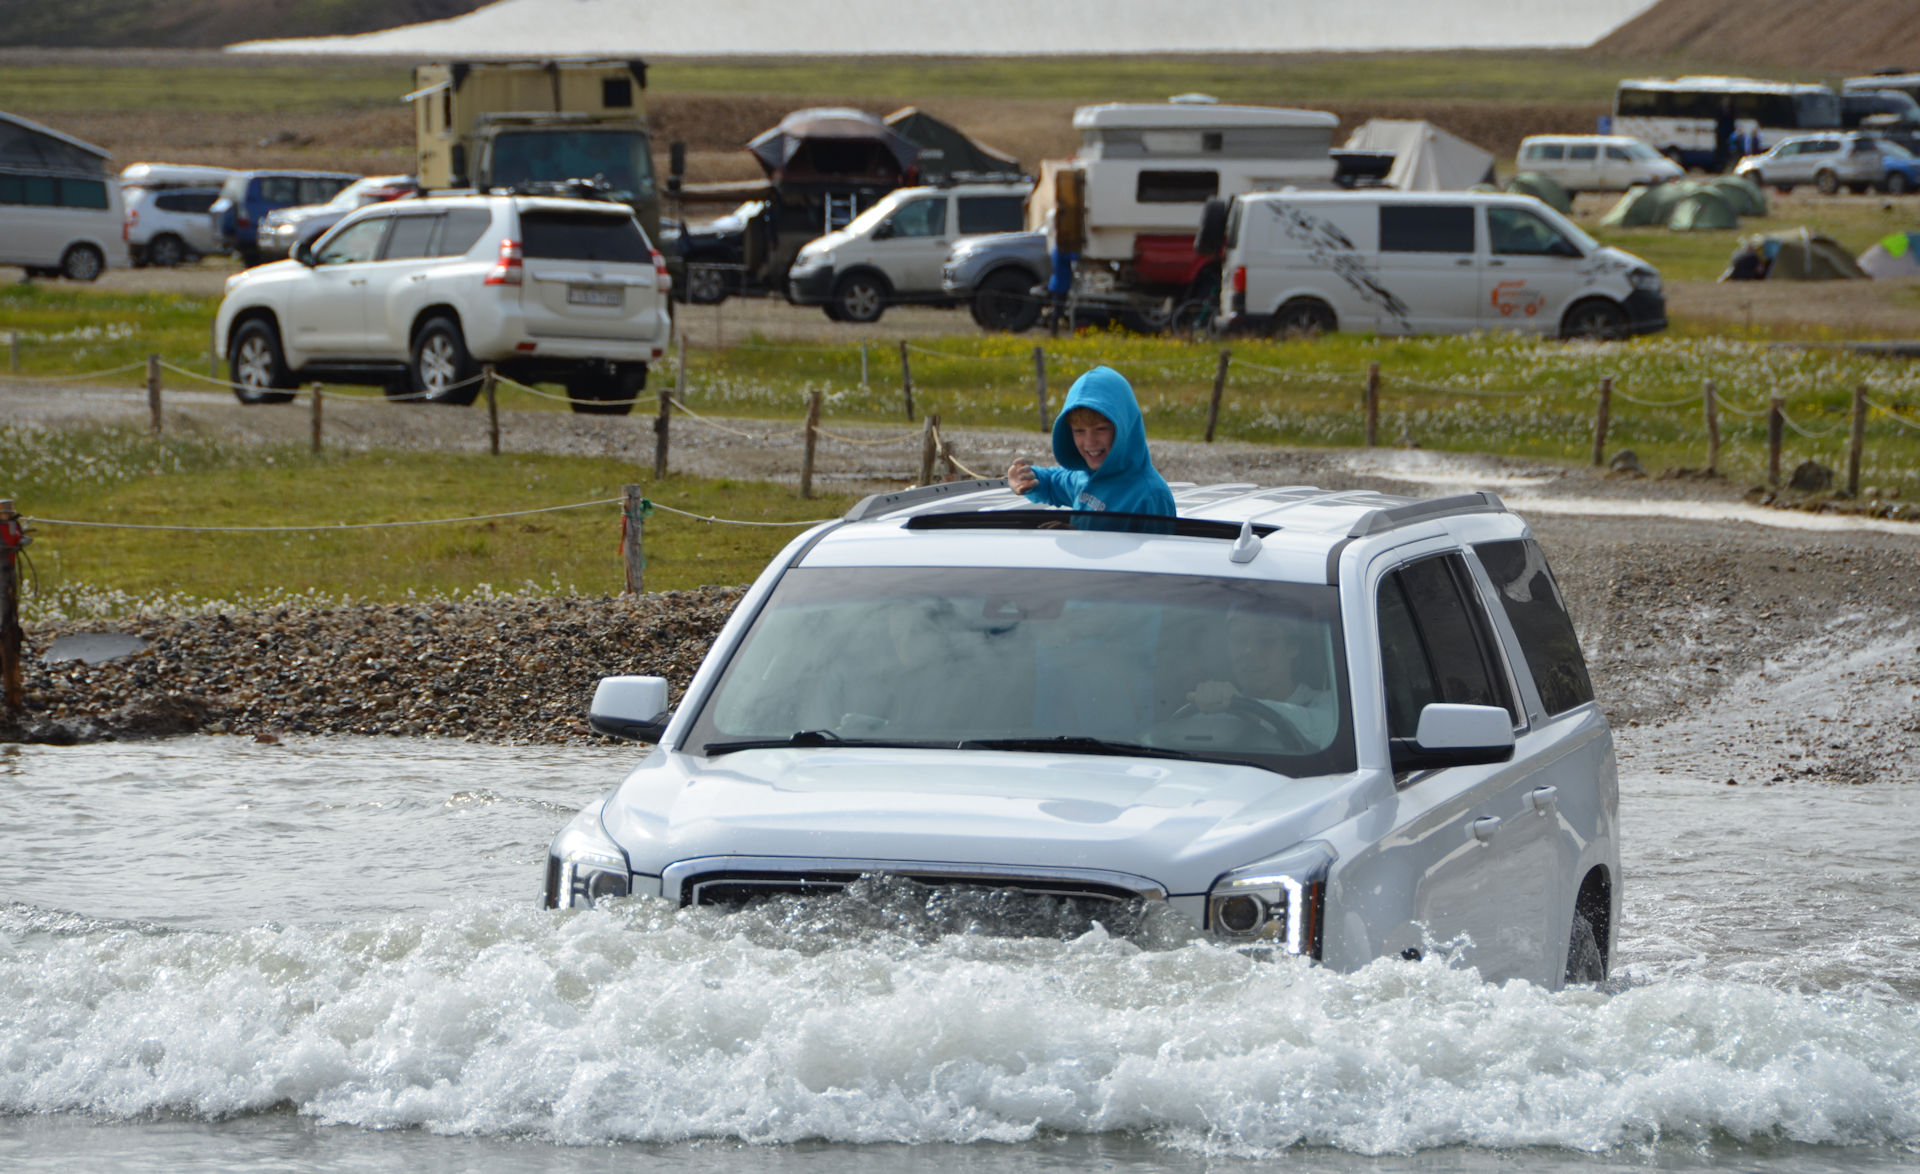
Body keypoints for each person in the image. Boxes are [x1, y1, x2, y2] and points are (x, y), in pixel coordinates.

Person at [1005, 366, 1175, 518]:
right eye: (1079, 431)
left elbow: (1153, 552)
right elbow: (1052, 481)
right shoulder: (1084, 477)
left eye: (1101, 429)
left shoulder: (1151, 496)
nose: (1089, 441)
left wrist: (1077, 536)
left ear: (1126, 428)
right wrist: (1026, 479)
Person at [1185, 608, 1338, 748]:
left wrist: (1244, 707)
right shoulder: (1209, 716)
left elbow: (1326, 732)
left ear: (1293, 648)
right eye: (1238, 639)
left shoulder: (1329, 705)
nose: (1249, 651)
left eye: (1266, 641)